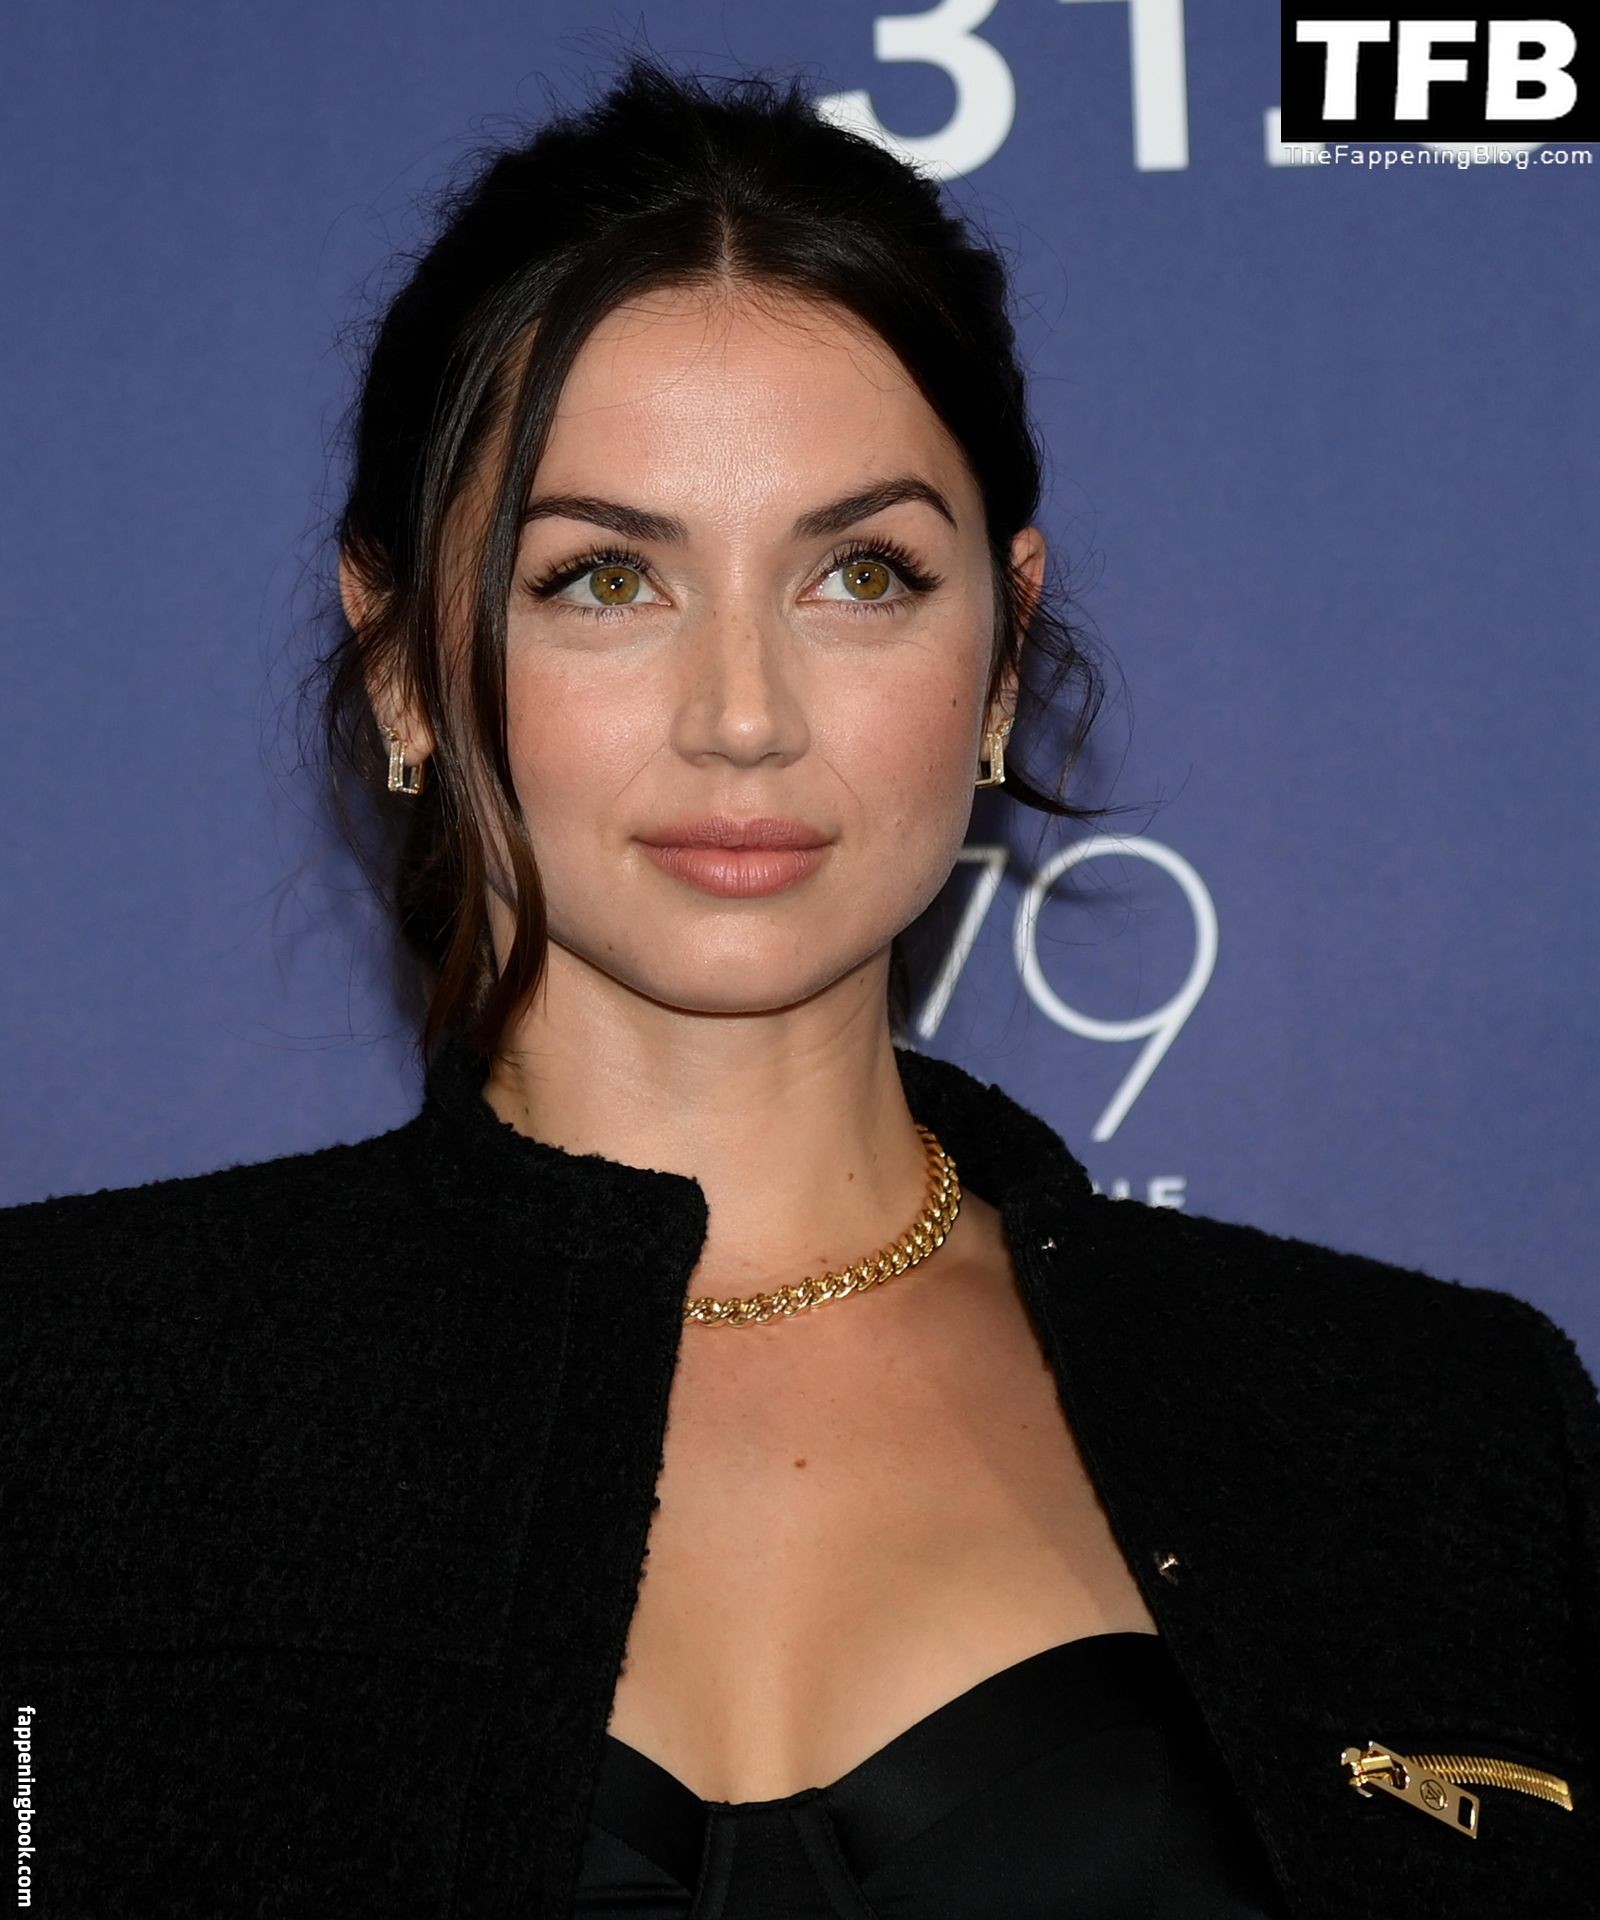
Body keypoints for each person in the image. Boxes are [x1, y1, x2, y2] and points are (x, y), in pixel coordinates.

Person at [3, 56, 1596, 1920]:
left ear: (1003, 648)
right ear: (403, 665)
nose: (744, 717)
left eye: (860, 573)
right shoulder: (63, 1393)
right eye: (605, 579)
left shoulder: (1436, 1429)